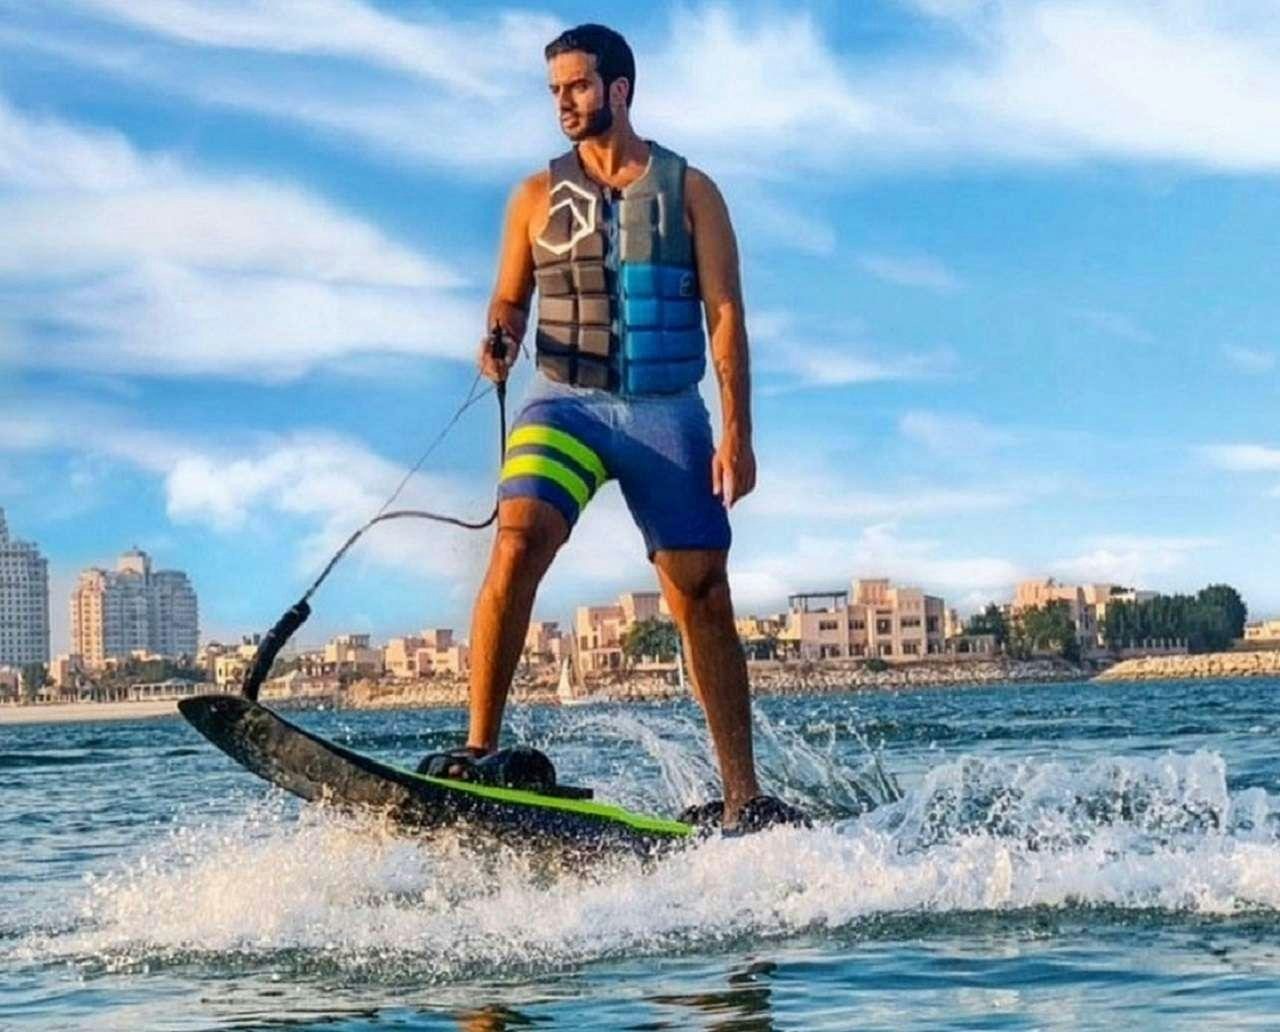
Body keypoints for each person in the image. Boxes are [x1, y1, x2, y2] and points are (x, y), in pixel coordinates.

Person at [420, 24, 805, 833]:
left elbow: (726, 314)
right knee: (517, 540)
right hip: (563, 401)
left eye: (578, 86)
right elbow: (509, 300)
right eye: (555, 90)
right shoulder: (533, 196)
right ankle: (479, 751)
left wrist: (738, 432)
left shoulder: (692, 191)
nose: (564, 102)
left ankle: (742, 795)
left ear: (619, 89)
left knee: (701, 590)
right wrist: (499, 336)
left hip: (666, 410)